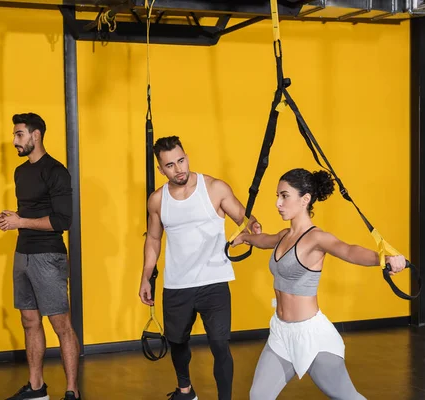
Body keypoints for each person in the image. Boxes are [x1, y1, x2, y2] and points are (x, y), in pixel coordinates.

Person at [231, 168, 407, 400]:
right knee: (259, 395)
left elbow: (349, 251)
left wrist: (384, 260)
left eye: (284, 196)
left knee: (346, 396)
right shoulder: (284, 235)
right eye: (277, 196)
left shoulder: (316, 238)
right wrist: (245, 237)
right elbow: (265, 240)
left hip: (311, 335)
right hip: (281, 333)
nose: (278, 203)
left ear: (305, 199)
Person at [138, 136, 261, 400]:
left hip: (213, 281)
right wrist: (146, 277)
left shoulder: (214, 188)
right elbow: (154, 238)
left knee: (219, 344)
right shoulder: (157, 200)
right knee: (177, 342)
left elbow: (244, 218)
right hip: (177, 284)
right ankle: (186, 391)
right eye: (170, 165)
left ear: (186, 156)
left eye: (181, 160)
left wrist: (252, 228)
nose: (178, 168)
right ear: (161, 169)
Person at [0, 113, 81, 400]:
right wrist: (12, 219)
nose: (14, 140)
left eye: (19, 134)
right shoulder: (20, 172)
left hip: (49, 257)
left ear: (36, 136)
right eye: (15, 134)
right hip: (23, 254)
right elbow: (27, 214)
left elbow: (62, 221)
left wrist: (20, 222)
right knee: (29, 321)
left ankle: (72, 391)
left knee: (61, 326)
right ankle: (36, 388)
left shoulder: (56, 171)